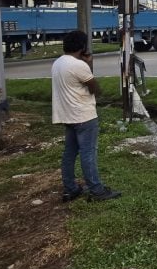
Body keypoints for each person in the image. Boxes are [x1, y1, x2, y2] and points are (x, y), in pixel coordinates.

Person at [52, 30, 121, 203]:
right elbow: (95, 88)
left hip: (68, 116)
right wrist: (88, 63)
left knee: (69, 154)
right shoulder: (78, 65)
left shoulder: (58, 63)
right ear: (82, 47)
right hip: (84, 116)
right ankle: (97, 190)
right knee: (88, 153)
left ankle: (71, 188)